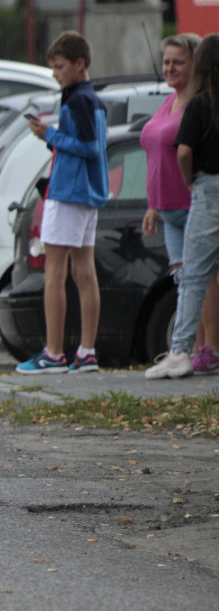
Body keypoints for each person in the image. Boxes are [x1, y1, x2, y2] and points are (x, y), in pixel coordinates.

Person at [16, 31, 108, 375]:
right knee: (84, 272)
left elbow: (87, 146)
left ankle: (54, 353)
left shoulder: (77, 100)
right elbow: (91, 144)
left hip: (68, 193)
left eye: (59, 66)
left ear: (79, 64)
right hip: (87, 195)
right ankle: (86, 351)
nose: (55, 73)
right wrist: (55, 136)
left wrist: (50, 134)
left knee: (53, 274)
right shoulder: (92, 99)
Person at [140, 33, 219, 374]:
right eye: (166, 62)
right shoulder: (168, 102)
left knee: (200, 277)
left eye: (178, 62)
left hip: (194, 201)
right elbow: (159, 155)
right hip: (167, 206)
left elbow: (185, 152)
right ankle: (197, 350)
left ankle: (205, 348)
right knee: (186, 279)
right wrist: (153, 202)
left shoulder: (200, 103)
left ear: (196, 64)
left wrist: (190, 182)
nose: (170, 68)